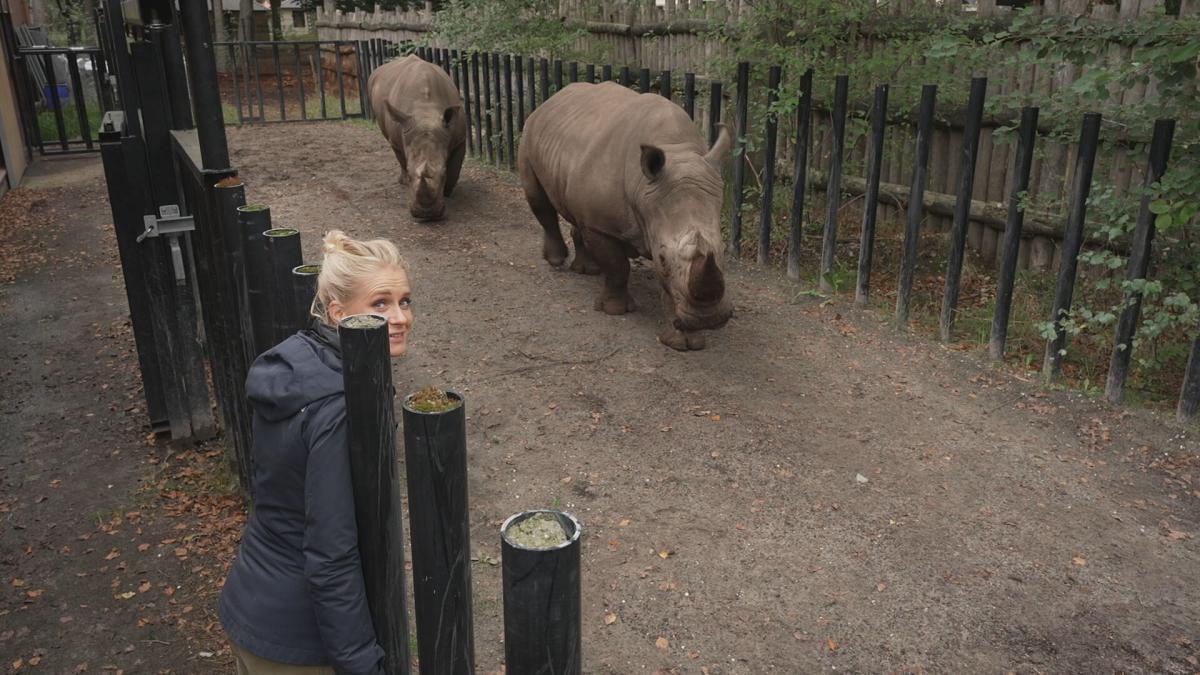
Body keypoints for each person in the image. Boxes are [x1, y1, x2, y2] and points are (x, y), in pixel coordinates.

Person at [219, 230, 413, 674]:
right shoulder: (340, 408)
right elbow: (331, 554)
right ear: (337, 312)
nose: (400, 316)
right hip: (297, 643)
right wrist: (363, 666)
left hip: (252, 603)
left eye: (405, 300)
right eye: (380, 303)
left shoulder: (300, 363)